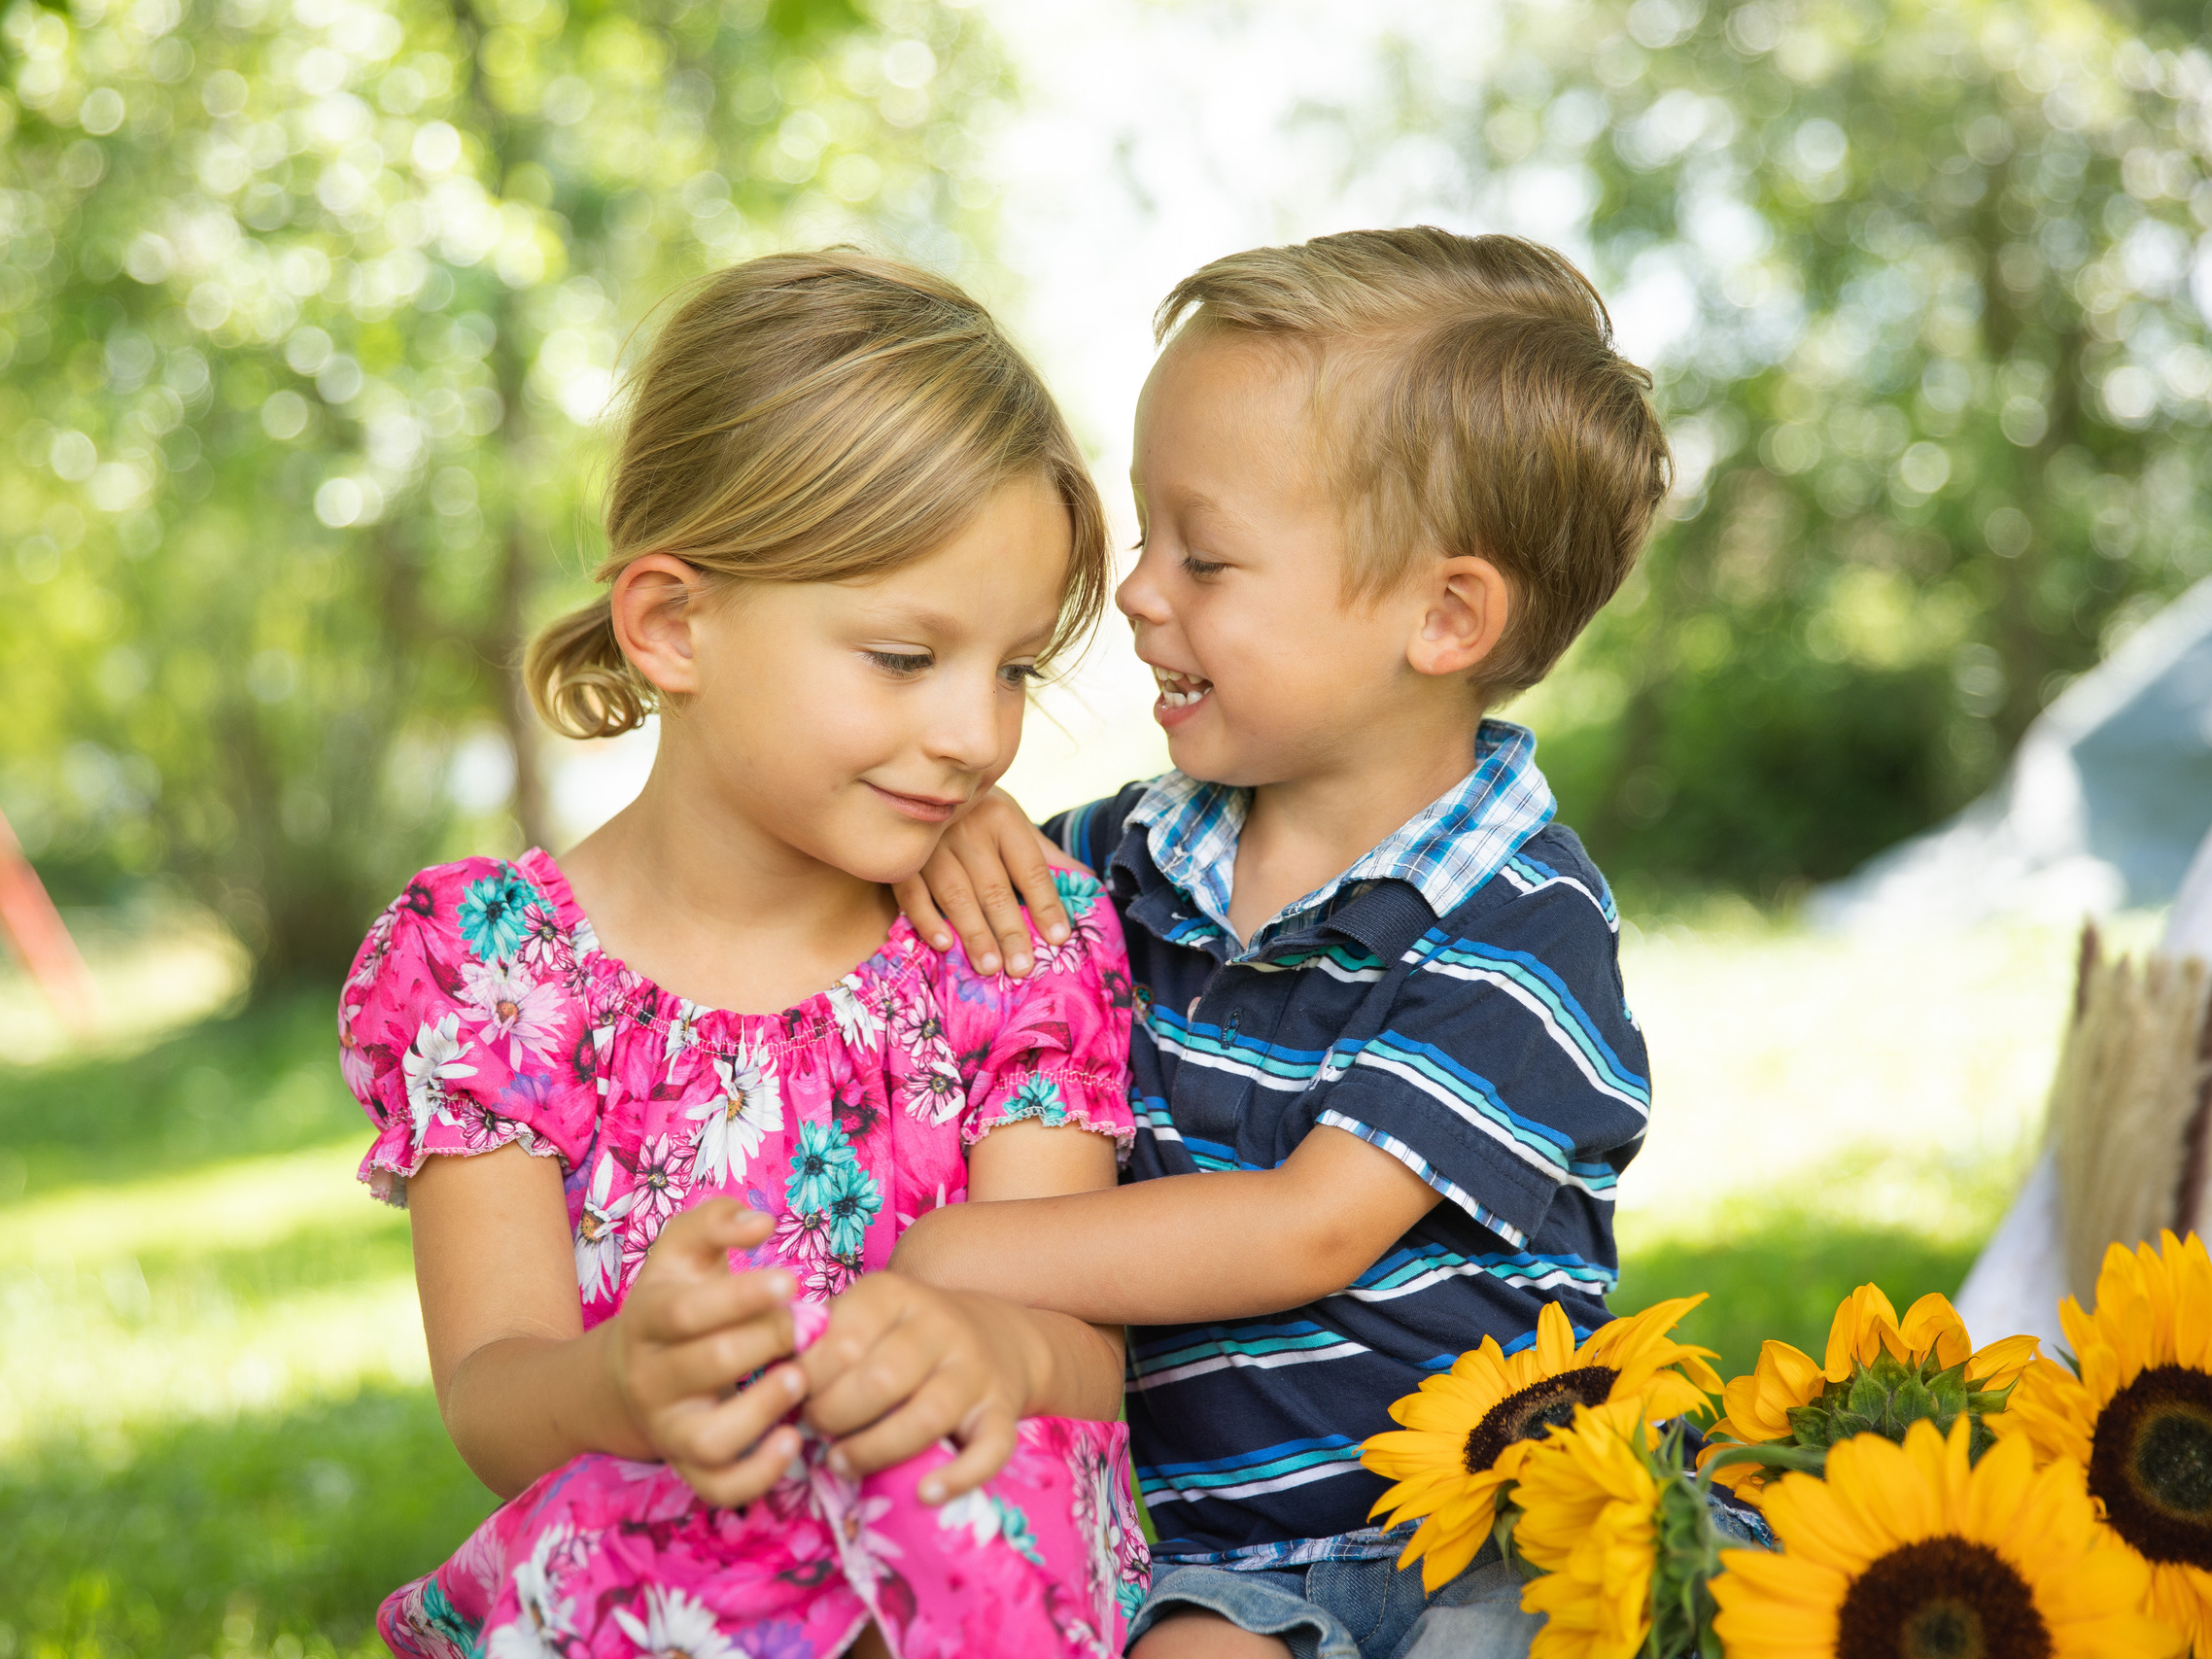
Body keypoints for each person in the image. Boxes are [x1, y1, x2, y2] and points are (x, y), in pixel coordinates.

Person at [335, 252, 1153, 1659]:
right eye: (906, 659)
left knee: (953, 1498)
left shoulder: (1012, 946)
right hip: (655, 1572)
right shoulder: (493, 971)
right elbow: (491, 1397)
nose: (975, 734)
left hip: (962, 1547)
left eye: (1012, 668)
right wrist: (617, 1385)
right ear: (672, 624)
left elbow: (1087, 1362)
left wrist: (993, 1353)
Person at [887, 228, 1671, 1659]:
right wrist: (959, 825)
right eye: (1143, 540)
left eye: (1207, 555)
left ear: (1443, 616)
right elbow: (947, 925)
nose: (1137, 592)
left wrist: (952, 1254)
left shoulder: (1520, 923)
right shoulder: (1119, 857)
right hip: (1206, 1564)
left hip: (1466, 1542)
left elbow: (1306, 1227)